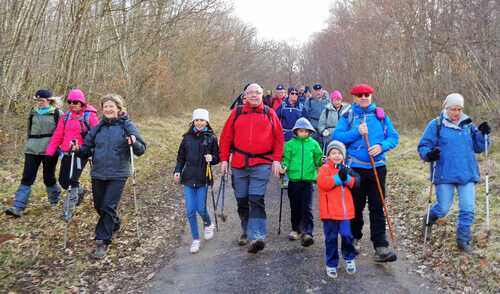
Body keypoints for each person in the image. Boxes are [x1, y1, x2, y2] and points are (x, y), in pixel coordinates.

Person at [73, 94, 146, 259]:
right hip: (98, 172)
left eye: (111, 106)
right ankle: (115, 223)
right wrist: (77, 149)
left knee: (107, 205)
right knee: (99, 206)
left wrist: (133, 142)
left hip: (118, 173)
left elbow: (141, 149)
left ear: (119, 108)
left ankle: (102, 241)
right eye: (105, 106)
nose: (108, 109)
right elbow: (86, 149)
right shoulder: (98, 127)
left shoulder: (127, 125)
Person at [332, 83, 399, 262]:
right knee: (356, 206)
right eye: (360, 95)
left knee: (377, 207)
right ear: (354, 97)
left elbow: (394, 137)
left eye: (367, 95)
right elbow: (337, 137)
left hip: (377, 167)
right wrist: (356, 132)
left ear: (371, 96)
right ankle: (354, 238)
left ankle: (381, 245)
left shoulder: (381, 115)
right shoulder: (348, 114)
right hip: (355, 168)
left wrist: (381, 146)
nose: (363, 97)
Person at [417, 93, 490, 253]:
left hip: (467, 173)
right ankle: (428, 219)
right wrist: (429, 154)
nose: (456, 112)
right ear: (446, 108)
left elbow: (480, 147)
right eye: (452, 109)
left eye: (459, 109)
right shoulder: (436, 124)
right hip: (444, 173)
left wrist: (484, 134)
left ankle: (463, 240)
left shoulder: (468, 125)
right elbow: (423, 146)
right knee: (443, 208)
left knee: (468, 208)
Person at [219, 83, 284, 254]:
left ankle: (257, 236)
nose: (254, 95)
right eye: (251, 93)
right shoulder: (237, 113)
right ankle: (246, 231)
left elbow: (279, 138)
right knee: (242, 200)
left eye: (258, 93)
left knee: (256, 198)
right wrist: (224, 160)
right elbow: (225, 137)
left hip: (262, 163)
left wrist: (277, 160)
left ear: (262, 95)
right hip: (239, 163)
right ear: (245, 96)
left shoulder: (270, 113)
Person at [5, 89, 63, 217]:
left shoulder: (57, 113)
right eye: (37, 100)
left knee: (48, 177)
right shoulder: (33, 113)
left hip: (50, 150)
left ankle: (54, 200)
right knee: (27, 177)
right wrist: (28, 144)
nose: (39, 103)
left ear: (49, 100)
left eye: (41, 100)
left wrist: (61, 148)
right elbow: (29, 131)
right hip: (32, 149)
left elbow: (61, 133)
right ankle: (18, 207)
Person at [174, 108, 219, 254]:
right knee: (190, 210)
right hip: (188, 177)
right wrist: (177, 171)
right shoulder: (186, 138)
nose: (199, 122)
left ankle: (208, 223)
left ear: (207, 121)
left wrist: (212, 158)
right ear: (193, 121)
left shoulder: (211, 138)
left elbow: (217, 157)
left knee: (200, 208)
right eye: (197, 120)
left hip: (203, 178)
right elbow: (180, 158)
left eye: (202, 120)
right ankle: (195, 239)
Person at [46, 89, 99, 208]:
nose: (72, 104)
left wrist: (90, 149)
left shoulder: (89, 116)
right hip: (66, 152)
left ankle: (69, 207)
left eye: (75, 102)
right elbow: (58, 135)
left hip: (81, 153)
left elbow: (97, 135)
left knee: (72, 179)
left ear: (81, 103)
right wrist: (50, 151)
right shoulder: (65, 117)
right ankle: (80, 191)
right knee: (63, 181)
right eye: (69, 102)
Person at [317, 140, 357, 278]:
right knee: (331, 239)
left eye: (339, 153)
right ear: (328, 155)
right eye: (333, 153)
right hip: (329, 213)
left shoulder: (346, 168)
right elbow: (323, 184)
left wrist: (346, 177)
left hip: (345, 213)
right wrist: (338, 179)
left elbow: (354, 183)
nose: (336, 156)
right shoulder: (324, 169)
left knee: (347, 236)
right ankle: (331, 263)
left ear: (343, 155)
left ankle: (349, 258)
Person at [281, 118, 323, 246]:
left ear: (310, 132)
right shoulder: (289, 145)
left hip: (308, 180)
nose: (303, 133)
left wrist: (323, 161)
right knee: (295, 206)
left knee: (307, 207)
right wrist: (284, 166)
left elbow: (318, 159)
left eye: (306, 131)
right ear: (296, 131)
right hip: (293, 180)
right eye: (301, 131)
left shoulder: (314, 144)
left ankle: (308, 232)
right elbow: (286, 159)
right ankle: (296, 229)